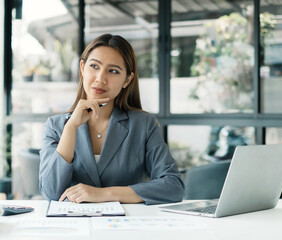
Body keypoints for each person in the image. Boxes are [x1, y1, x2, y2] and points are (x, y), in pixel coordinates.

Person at [39, 34, 184, 205]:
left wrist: (104, 194)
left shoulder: (143, 125)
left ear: (127, 79)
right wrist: (71, 127)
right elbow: (51, 193)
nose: (100, 78)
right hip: (75, 226)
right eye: (94, 66)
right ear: (82, 68)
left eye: (113, 71)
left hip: (126, 226)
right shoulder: (56, 126)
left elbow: (173, 186)